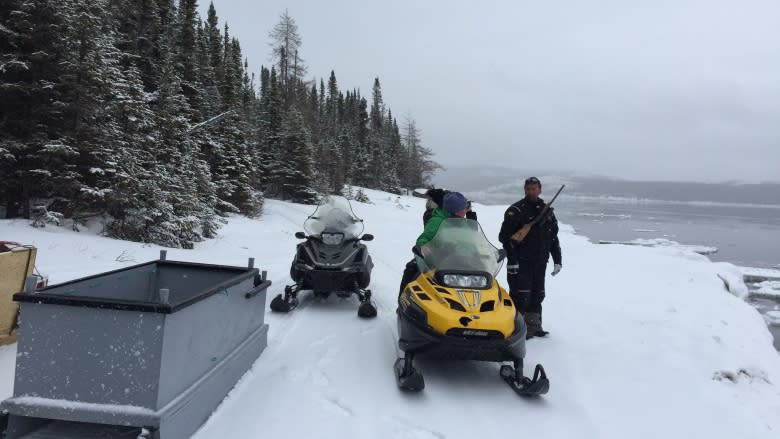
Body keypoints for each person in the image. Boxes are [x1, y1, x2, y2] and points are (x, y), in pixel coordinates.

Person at [498, 177, 562, 339]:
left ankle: (534, 326)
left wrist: (557, 260)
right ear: (524, 190)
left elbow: (553, 238)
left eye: (534, 189)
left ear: (540, 190)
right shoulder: (516, 210)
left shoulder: (546, 211)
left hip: (540, 262)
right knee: (520, 296)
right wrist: (512, 261)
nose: (531, 192)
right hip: (521, 262)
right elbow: (505, 237)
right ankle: (516, 328)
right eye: (528, 189)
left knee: (537, 295)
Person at [400, 192, 469, 294]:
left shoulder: (463, 223)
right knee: (411, 269)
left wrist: (478, 251)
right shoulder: (437, 221)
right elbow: (423, 239)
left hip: (459, 260)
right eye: (463, 208)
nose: (466, 210)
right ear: (455, 210)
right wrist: (424, 247)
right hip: (436, 260)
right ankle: (404, 299)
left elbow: (470, 241)